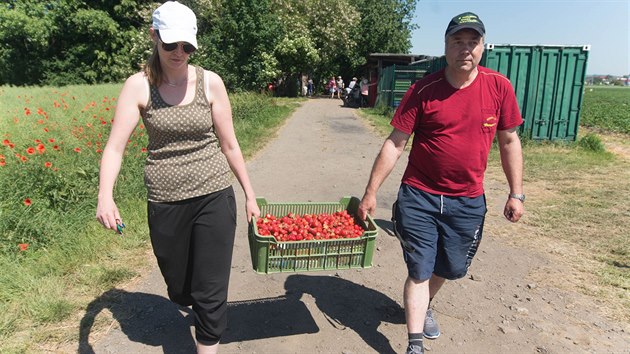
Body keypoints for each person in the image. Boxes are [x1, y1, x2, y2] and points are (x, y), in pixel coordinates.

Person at [95, 2, 260, 353]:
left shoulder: (210, 83)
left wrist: (249, 193)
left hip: (214, 193)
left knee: (210, 290)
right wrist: (104, 196)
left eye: (188, 46)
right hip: (166, 199)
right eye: (171, 44)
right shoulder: (138, 87)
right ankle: (192, 300)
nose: (180, 53)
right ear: (154, 37)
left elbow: (229, 144)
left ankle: (207, 339)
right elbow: (114, 148)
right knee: (181, 288)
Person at [357, 12, 524, 354]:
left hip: (467, 200)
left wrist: (516, 193)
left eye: (472, 42)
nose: (465, 49)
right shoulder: (423, 90)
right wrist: (371, 192)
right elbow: (395, 142)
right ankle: (414, 343)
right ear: (445, 46)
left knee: (451, 267)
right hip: (420, 196)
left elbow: (509, 141)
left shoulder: (499, 87)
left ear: (482, 47)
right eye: (457, 42)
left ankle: (425, 303)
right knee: (420, 268)